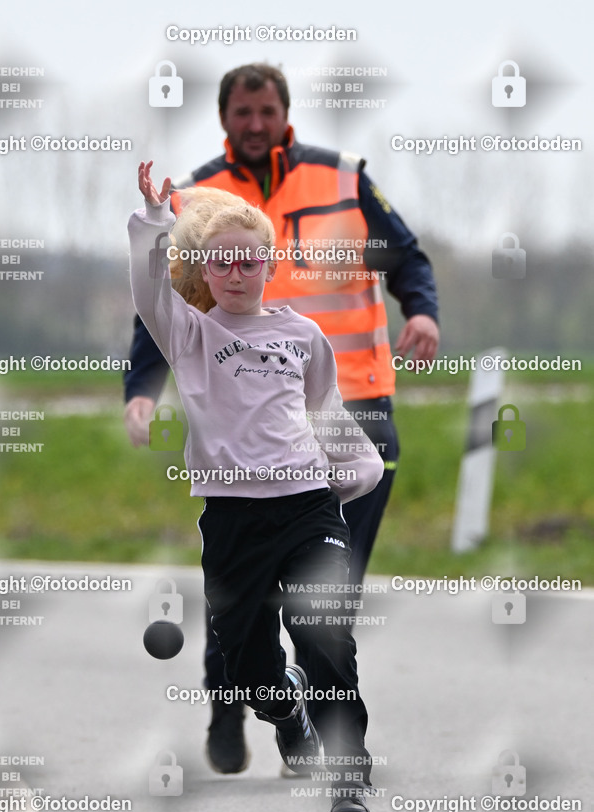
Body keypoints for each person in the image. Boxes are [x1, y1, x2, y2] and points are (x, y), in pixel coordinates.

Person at [125, 64, 439, 774]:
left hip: (347, 402)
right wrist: (141, 386)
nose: (255, 122)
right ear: (224, 116)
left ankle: (328, 736)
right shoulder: (198, 196)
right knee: (247, 602)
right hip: (241, 426)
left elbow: (406, 256)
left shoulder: (343, 176)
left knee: (324, 589)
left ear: (284, 112)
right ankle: (238, 700)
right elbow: (163, 307)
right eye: (242, 111)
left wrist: (420, 310)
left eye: (266, 109)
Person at [129, 160, 384, 812]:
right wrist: (156, 223)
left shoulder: (303, 336)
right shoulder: (190, 335)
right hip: (233, 522)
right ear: (205, 272)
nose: (237, 274)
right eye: (223, 265)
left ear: (268, 265)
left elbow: (326, 416)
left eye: (249, 262)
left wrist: (355, 475)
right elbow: (148, 291)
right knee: (246, 669)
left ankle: (348, 776)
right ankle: (283, 709)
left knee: (324, 633)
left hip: (306, 507)